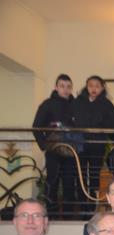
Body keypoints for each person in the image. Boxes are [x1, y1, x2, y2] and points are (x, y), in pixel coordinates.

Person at [32, 74, 77, 218]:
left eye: (68, 87)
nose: (65, 89)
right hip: (53, 151)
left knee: (70, 183)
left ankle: (69, 216)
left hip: (71, 151)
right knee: (52, 181)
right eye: (62, 86)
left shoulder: (76, 105)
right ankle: (51, 216)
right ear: (56, 87)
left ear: (71, 88)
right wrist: (45, 146)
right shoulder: (47, 104)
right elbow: (36, 127)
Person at [71, 75, 114, 213]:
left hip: (98, 143)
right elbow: (73, 121)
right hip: (81, 144)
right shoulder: (78, 102)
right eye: (91, 85)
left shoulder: (107, 104)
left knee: (95, 173)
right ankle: (82, 204)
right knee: (81, 173)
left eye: (97, 86)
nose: (94, 88)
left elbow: (111, 125)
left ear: (102, 87)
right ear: (86, 86)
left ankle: (93, 204)